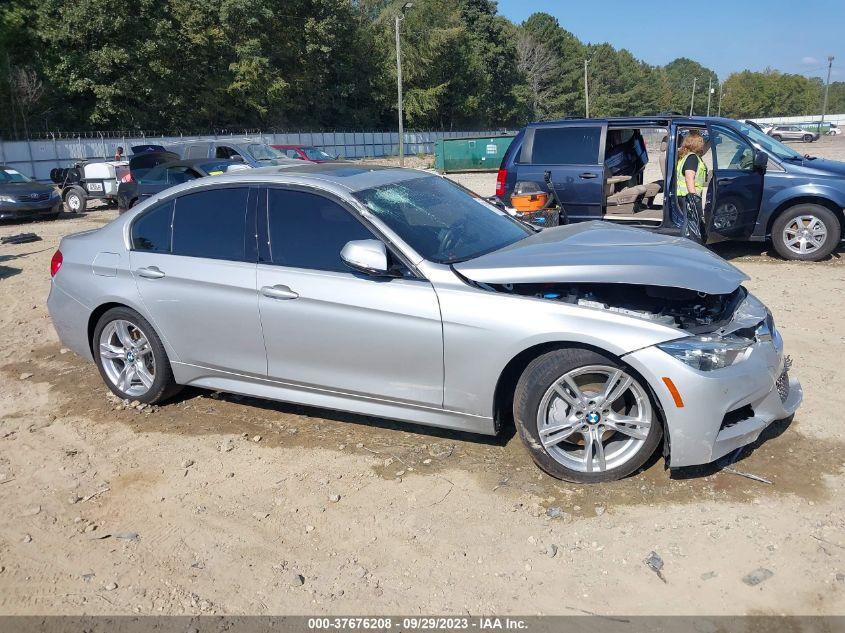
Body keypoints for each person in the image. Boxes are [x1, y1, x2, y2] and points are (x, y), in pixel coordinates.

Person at [672, 130, 708, 243]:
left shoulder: (685, 156)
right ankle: (692, 243)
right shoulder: (692, 158)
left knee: (688, 222)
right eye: (701, 142)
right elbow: (689, 177)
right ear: (697, 144)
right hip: (688, 196)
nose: (703, 144)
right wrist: (693, 197)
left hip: (683, 195)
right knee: (691, 223)